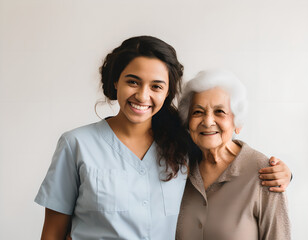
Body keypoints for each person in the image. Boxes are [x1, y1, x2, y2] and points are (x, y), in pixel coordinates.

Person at [35, 36, 291, 240]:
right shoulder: (76, 144)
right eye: (133, 82)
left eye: (156, 86)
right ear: (116, 82)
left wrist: (284, 172)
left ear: (168, 92)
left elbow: (226, 154)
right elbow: (53, 233)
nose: (143, 96)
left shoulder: (182, 144)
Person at [176, 69, 291, 240]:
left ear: (237, 123)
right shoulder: (178, 169)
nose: (207, 122)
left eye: (219, 112)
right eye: (197, 112)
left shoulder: (265, 173)